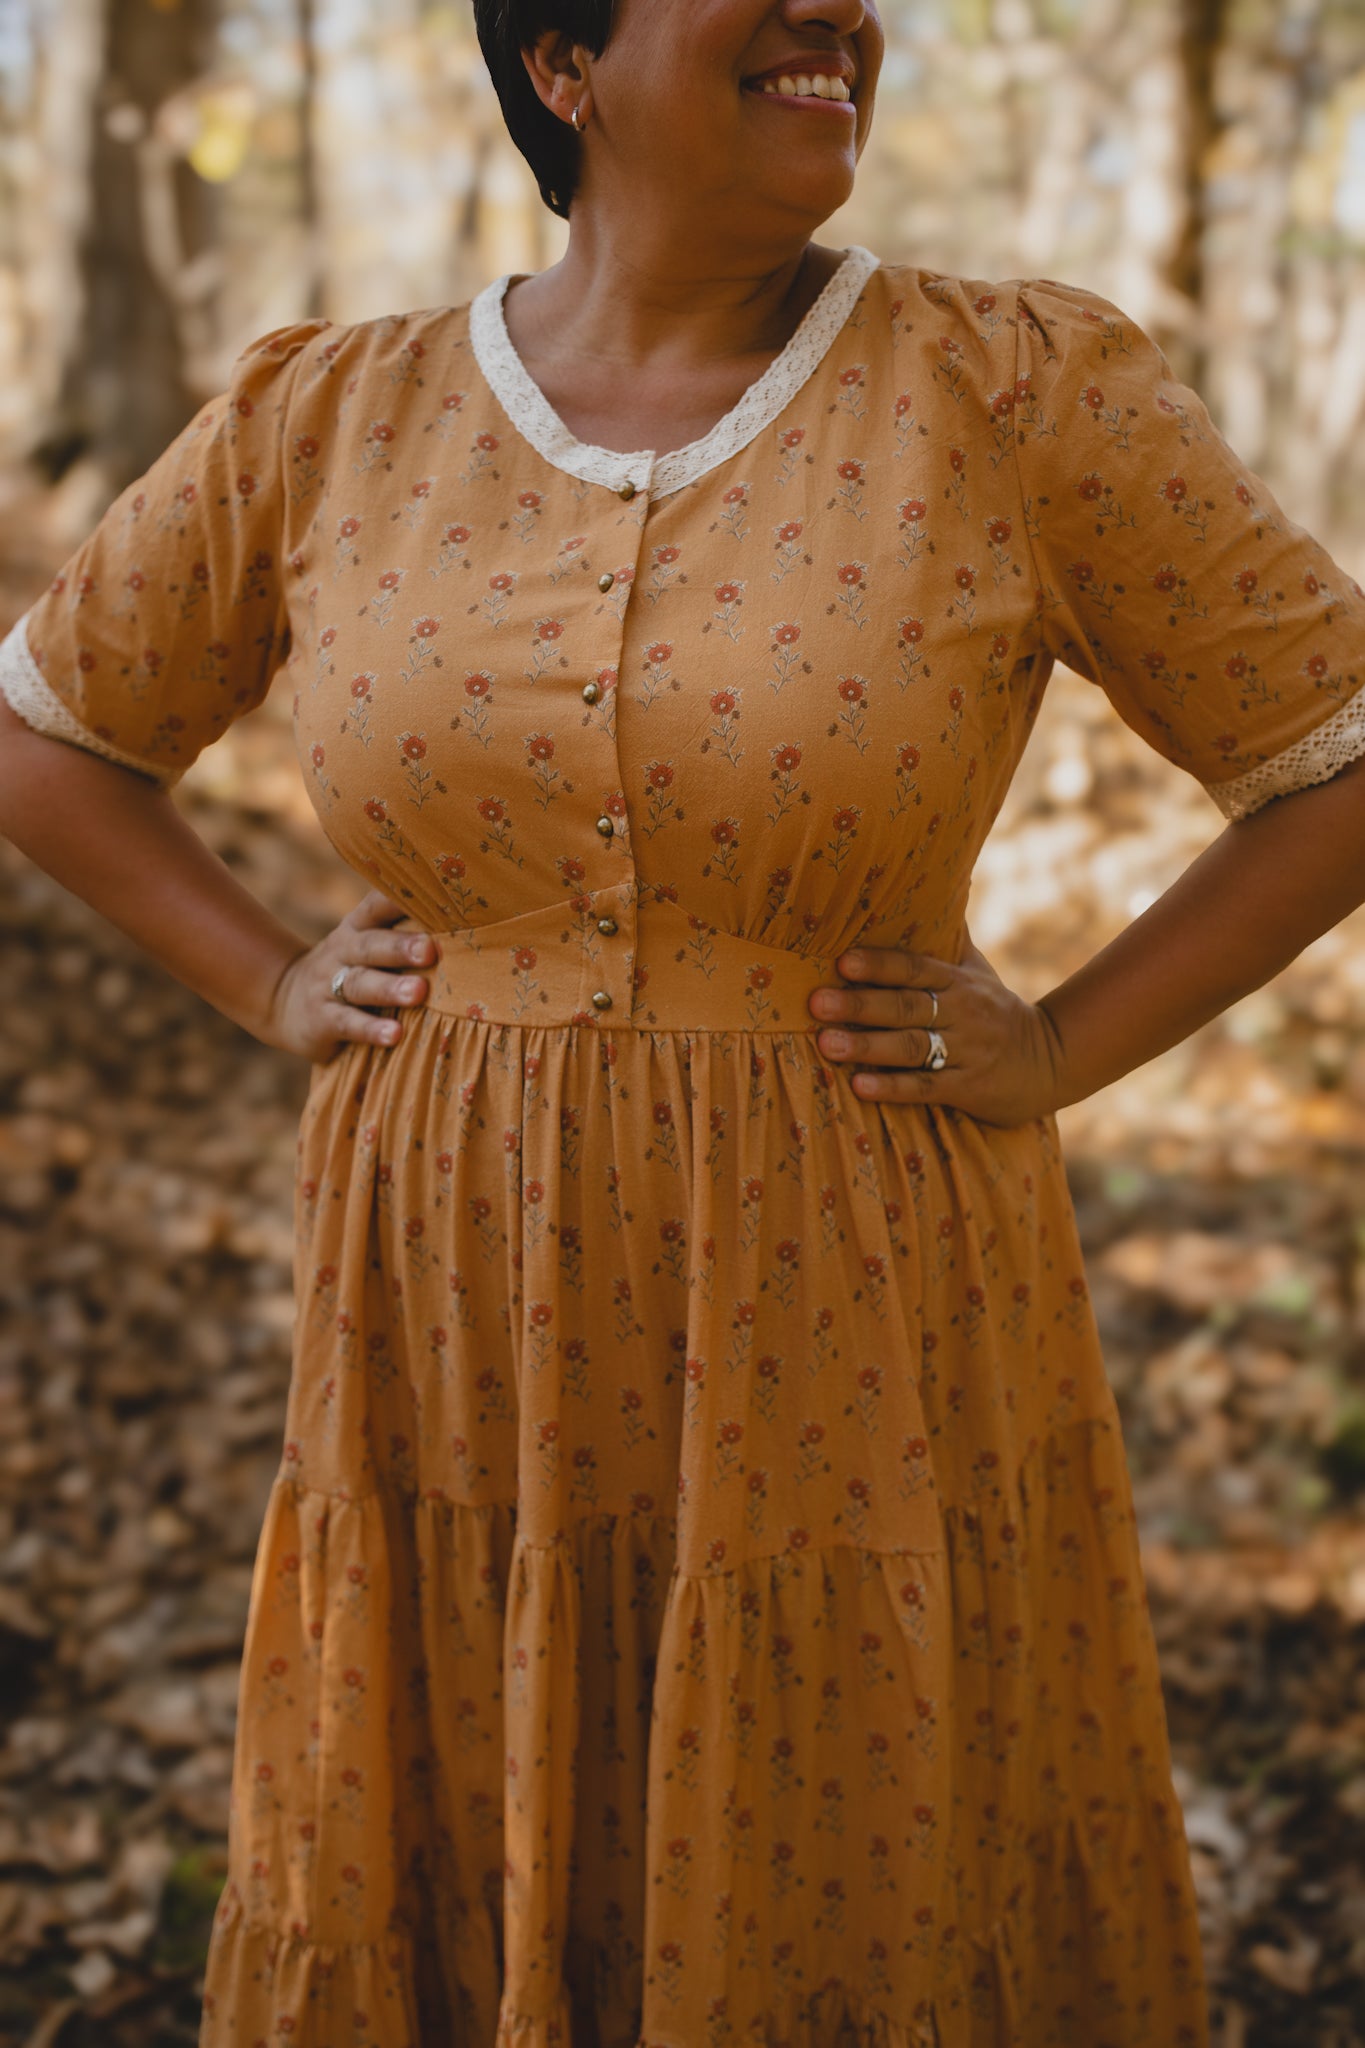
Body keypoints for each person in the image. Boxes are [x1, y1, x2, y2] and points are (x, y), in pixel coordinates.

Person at [2, 0, 1364, 2040]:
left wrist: (1065, 1042)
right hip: (451, 1312)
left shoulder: (1006, 391)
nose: (840, 15)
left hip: (853, 1300)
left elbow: (1328, 755)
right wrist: (268, 970)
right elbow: (53, 740)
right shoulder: (337, 416)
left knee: (838, 1843)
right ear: (563, 64)